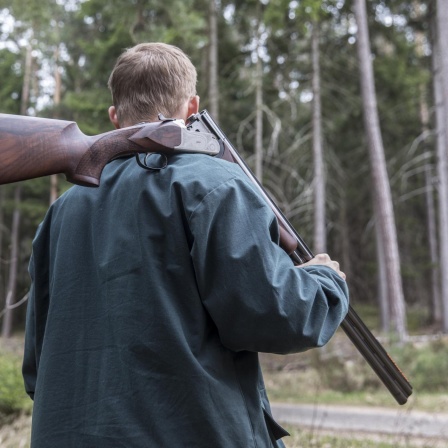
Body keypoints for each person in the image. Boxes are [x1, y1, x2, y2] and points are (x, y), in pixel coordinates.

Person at [22, 42, 349, 448]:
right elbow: (278, 316)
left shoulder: (60, 212)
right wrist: (324, 279)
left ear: (114, 116)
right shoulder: (216, 185)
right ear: (192, 108)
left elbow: (38, 367)